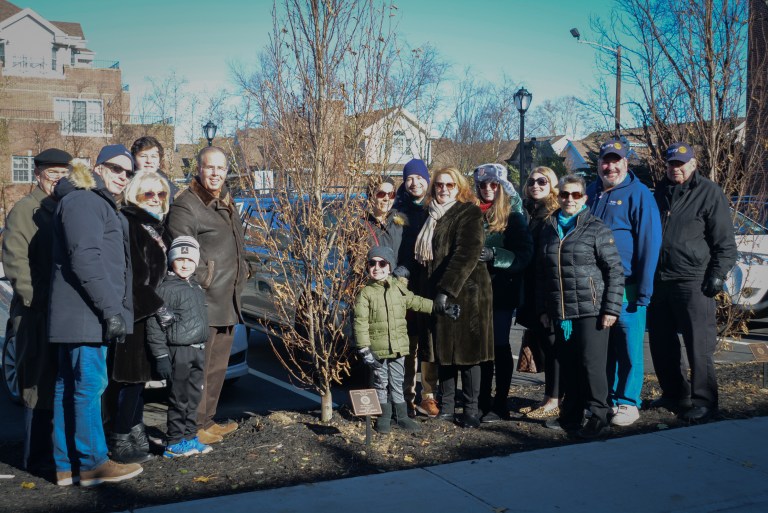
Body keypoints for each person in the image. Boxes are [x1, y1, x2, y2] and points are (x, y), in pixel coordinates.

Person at [48, 145, 141, 486]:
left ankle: (65, 465)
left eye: (128, 173)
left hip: (81, 315)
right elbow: (85, 259)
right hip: (87, 315)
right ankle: (91, 464)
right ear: (98, 167)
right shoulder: (86, 200)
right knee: (88, 387)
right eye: (117, 169)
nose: (123, 176)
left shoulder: (86, 200)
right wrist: (111, 310)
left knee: (69, 387)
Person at [648, 142, 737, 422]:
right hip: (660, 279)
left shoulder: (709, 193)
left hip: (693, 279)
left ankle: (704, 400)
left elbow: (725, 242)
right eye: (672, 163)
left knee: (699, 345)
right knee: (662, 344)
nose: (676, 168)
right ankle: (675, 392)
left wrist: (718, 274)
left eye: (681, 163)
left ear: (694, 164)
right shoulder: (660, 191)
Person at [167, 146, 248, 445]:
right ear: (198, 169)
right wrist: (207, 279)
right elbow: (181, 251)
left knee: (217, 368)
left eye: (221, 168)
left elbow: (238, 243)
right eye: (209, 167)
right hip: (203, 299)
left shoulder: (226, 202)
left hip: (228, 298)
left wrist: (246, 270)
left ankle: (206, 421)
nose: (216, 174)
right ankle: (191, 427)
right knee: (198, 370)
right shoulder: (186, 205)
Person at [538, 175, 624, 439]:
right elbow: (545, 272)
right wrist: (545, 307)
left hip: (592, 309)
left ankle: (600, 415)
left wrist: (611, 309)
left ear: (585, 198)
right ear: (558, 196)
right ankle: (572, 413)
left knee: (591, 365)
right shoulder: (549, 227)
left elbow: (615, 271)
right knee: (569, 364)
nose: (570, 200)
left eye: (576, 195)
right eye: (565, 194)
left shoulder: (597, 229)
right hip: (562, 311)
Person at [2, 148, 71, 476]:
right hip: (35, 312)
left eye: (62, 173)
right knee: (36, 384)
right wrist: (37, 300)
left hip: (63, 311)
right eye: (51, 173)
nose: (57, 178)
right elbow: (15, 261)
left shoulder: (65, 207)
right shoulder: (24, 211)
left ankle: (56, 453)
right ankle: (35, 457)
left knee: (59, 383)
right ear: (38, 175)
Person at [586, 139, 661, 427]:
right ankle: (604, 398)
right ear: (598, 164)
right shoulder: (590, 192)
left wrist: (644, 289)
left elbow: (649, 243)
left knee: (629, 347)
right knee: (602, 348)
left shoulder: (639, 194)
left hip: (628, 286)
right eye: (606, 160)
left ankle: (628, 401)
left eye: (616, 160)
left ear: (626, 163)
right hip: (595, 287)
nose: (610, 166)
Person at [104, 171, 174, 464]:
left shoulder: (156, 226)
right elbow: (133, 279)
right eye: (149, 194)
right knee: (127, 380)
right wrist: (158, 306)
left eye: (161, 194)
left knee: (139, 380)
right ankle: (119, 437)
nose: (156, 199)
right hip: (134, 312)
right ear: (135, 195)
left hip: (148, 312)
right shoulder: (131, 223)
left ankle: (135, 431)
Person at [416, 166, 493, 428]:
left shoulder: (468, 212)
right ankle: (447, 405)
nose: (443, 189)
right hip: (437, 293)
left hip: (467, 292)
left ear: (459, 187)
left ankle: (470, 409)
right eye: (439, 184)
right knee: (444, 352)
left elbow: (467, 252)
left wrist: (446, 290)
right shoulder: (431, 215)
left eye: (449, 185)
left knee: (469, 355)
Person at [354, 246, 459, 434]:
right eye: (372, 263)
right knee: (380, 382)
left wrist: (440, 308)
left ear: (390, 266)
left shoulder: (399, 288)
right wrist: (364, 349)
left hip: (398, 347)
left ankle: (401, 415)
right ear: (367, 267)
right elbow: (360, 323)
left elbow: (416, 301)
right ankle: (384, 416)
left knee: (397, 380)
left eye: (382, 263)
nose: (377, 267)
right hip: (377, 350)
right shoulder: (365, 294)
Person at [472, 163, 533, 423]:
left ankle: (500, 403)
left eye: (493, 184)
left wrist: (496, 255)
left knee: (499, 346)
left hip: (501, 291)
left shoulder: (512, 216)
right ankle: (480, 401)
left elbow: (524, 254)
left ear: (501, 187)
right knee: (479, 349)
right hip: (474, 292)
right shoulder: (470, 213)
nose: (488, 188)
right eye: (483, 184)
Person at [146, 236, 212, 457]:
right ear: (171, 260)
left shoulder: (196, 287)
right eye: (180, 259)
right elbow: (155, 324)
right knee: (178, 397)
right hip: (178, 351)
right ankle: (174, 441)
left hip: (197, 349)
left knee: (194, 396)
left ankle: (190, 436)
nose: (185, 264)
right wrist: (161, 355)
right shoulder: (167, 289)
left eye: (190, 260)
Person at [392, 159, 439, 418]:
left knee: (429, 340)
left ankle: (428, 394)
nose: (414, 182)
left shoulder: (437, 207)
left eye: (419, 177)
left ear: (427, 179)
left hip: (430, 281)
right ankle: (406, 395)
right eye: (409, 178)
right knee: (408, 340)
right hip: (405, 281)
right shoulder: (398, 211)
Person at [516, 167, 561, 418]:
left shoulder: (552, 215)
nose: (535, 185)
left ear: (552, 185)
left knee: (552, 345)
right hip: (530, 289)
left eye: (542, 181)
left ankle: (553, 400)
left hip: (547, 289)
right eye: (531, 180)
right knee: (543, 343)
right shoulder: (528, 212)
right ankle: (548, 397)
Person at [131, 136, 179, 200]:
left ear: (159, 161)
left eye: (153, 156)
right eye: (143, 156)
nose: (149, 161)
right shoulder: (124, 186)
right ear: (134, 159)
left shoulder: (167, 189)